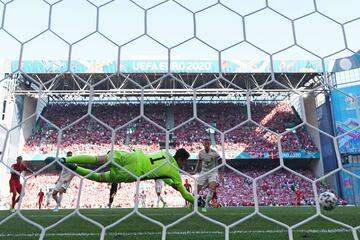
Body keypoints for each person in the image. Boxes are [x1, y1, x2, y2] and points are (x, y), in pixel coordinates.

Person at [45, 148, 194, 205]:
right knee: (99, 177)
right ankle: (75, 169)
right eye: (184, 163)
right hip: (134, 171)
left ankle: (66, 160)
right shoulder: (174, 172)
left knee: (99, 158)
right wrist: (196, 201)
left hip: (133, 155)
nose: (183, 165)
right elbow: (185, 194)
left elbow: (162, 174)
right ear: (181, 160)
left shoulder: (165, 152)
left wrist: (170, 182)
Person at [193, 138, 223, 212]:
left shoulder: (214, 153)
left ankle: (206, 205)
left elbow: (221, 162)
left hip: (213, 172)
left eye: (208, 144)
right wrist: (195, 171)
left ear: (210, 144)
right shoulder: (201, 153)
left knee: (212, 187)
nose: (206, 145)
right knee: (196, 190)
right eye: (205, 143)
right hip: (204, 172)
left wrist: (221, 174)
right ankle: (192, 203)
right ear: (203, 144)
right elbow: (199, 162)